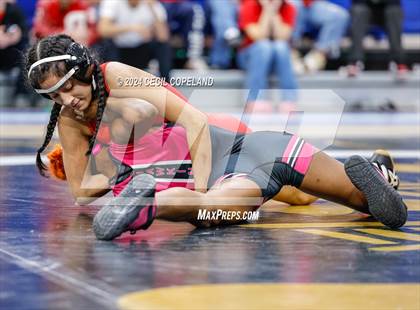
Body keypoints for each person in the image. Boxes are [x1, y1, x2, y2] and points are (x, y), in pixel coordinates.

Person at [25, 34, 407, 241]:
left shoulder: (116, 76)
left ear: (86, 68)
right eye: (53, 97)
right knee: (235, 196)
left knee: (296, 196)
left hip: (213, 139)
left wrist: (204, 192)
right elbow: (81, 191)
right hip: (194, 163)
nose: (66, 101)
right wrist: (104, 167)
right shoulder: (70, 120)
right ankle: (377, 171)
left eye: (68, 87)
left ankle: (374, 175)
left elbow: (194, 121)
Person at [237, 0, 298, 113]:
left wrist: (273, 12)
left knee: (282, 46)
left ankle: (289, 99)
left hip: (276, 60)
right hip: (249, 57)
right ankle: (255, 98)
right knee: (263, 46)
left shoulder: (289, 7)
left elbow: (282, 36)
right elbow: (259, 35)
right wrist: (266, 10)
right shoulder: (249, 5)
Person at [97, 0, 171, 81]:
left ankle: (167, 85)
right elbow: (103, 30)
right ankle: (108, 84)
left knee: (163, 47)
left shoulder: (152, 4)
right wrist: (132, 28)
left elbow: (163, 37)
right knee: (105, 45)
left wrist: (153, 9)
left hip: (141, 50)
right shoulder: (113, 2)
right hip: (118, 51)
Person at [346, 0, 408, 80]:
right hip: (364, 6)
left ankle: (399, 62)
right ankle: (354, 62)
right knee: (358, 11)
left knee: (394, 11)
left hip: (388, 6)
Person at [291, 0, 349, 73]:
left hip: (314, 4)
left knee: (340, 15)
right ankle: (290, 54)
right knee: (292, 5)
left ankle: (317, 57)